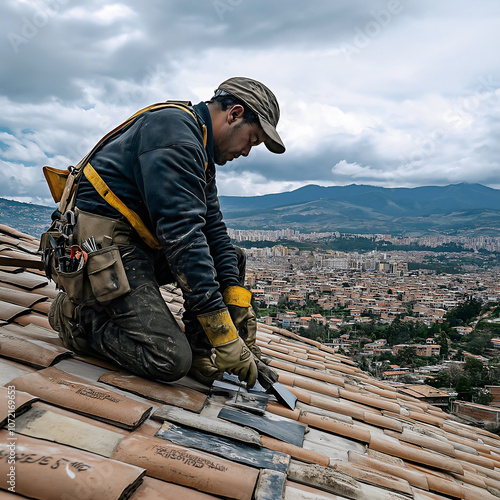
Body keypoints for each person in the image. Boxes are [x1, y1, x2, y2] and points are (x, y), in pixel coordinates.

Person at [48, 77, 285, 388]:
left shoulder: (197, 146)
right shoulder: (176, 137)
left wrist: (239, 304)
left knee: (233, 257)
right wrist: (225, 336)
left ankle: (202, 354)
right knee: (170, 359)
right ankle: (76, 319)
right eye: (252, 140)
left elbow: (213, 233)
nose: (246, 152)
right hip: (102, 252)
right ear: (234, 114)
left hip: (135, 249)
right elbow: (184, 241)